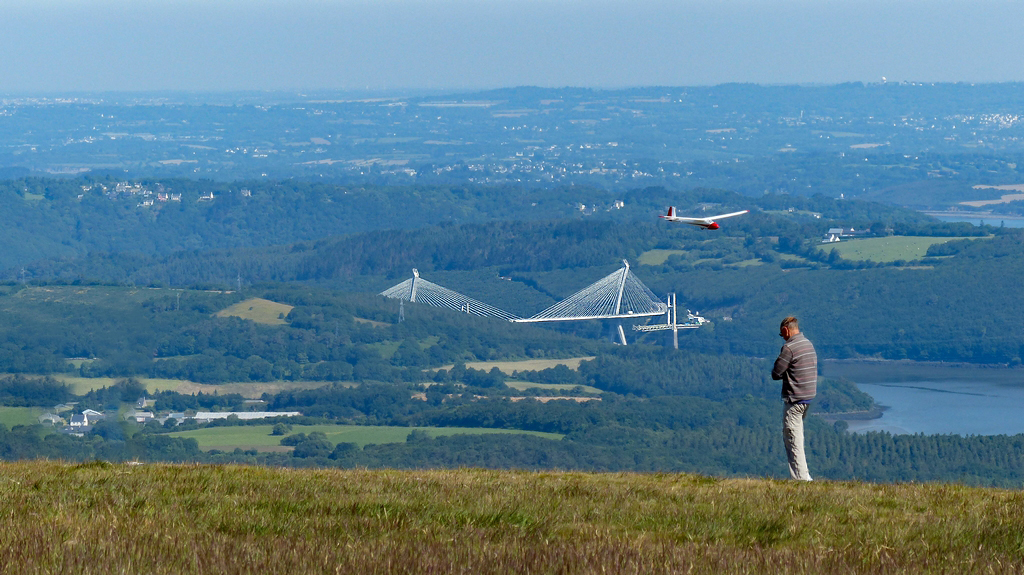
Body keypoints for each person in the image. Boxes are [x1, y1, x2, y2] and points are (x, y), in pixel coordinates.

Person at [771, 316, 817, 481]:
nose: (782, 337)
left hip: (794, 399)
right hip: (807, 398)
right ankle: (803, 477)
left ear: (786, 330)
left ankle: (801, 479)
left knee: (793, 439)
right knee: (797, 435)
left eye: (781, 333)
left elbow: (776, 373)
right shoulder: (808, 344)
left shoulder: (789, 348)